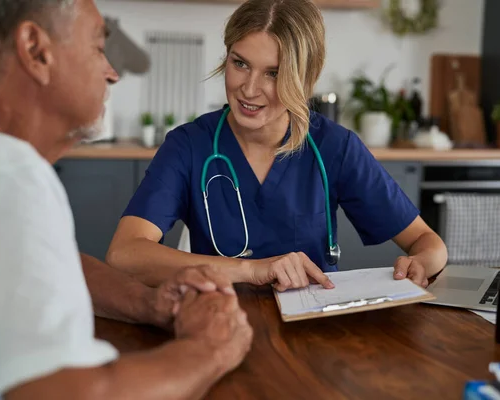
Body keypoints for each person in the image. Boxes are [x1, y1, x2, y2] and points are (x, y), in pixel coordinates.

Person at [0, 1, 252, 399]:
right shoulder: (5, 173)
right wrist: (211, 349)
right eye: (98, 49)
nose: (112, 73)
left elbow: (42, 266)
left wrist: (148, 302)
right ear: (36, 50)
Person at [107, 0, 448, 292]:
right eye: (240, 63)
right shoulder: (189, 146)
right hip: (216, 325)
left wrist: (420, 263)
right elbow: (125, 254)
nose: (249, 89)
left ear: (304, 78)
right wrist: (251, 270)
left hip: (314, 334)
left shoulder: (334, 147)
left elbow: (429, 243)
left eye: (273, 73)